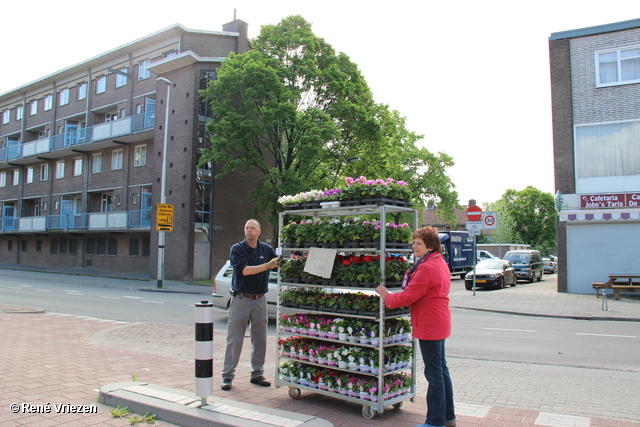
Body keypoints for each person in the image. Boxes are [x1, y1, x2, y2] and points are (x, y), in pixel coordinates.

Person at [376, 226, 456, 427]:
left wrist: (387, 296)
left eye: (418, 243)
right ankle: (448, 417)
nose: (414, 246)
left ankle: (435, 421)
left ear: (430, 245)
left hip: (430, 323)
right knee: (441, 370)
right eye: (414, 242)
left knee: (434, 374)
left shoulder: (427, 267)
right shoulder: (438, 262)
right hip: (438, 321)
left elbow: (410, 296)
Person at [221, 219, 280, 391]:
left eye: (252, 228)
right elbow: (244, 270)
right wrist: (266, 266)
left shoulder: (265, 249)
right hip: (241, 299)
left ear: (259, 232)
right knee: (235, 338)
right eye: (246, 228)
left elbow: (277, 262)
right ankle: (227, 376)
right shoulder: (237, 249)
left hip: (260, 299)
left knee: (260, 338)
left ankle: (257, 374)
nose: (249, 230)